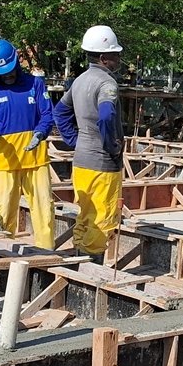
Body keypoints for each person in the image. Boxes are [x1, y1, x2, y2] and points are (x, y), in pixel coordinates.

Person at [54, 25, 124, 263]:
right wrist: (111, 145)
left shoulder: (79, 81)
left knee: (85, 215)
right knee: (102, 219)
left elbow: (60, 112)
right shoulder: (107, 84)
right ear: (103, 57)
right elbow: (106, 115)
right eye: (115, 55)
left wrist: (75, 140)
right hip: (103, 164)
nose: (118, 59)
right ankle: (91, 269)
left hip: (81, 162)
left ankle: (78, 263)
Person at [0, 39, 55, 250]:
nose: (8, 75)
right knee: (4, 209)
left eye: (10, 70)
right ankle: (2, 253)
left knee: (43, 208)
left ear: (17, 61)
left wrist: (40, 133)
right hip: (7, 160)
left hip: (36, 158)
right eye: (3, 72)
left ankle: (46, 253)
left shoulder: (35, 84)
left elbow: (47, 114)